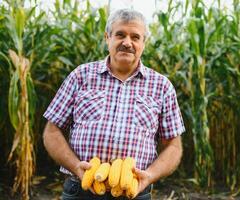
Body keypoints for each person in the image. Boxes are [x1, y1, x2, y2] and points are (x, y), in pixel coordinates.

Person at [43, 8, 185, 200]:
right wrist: (76, 166)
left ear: (144, 43)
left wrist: (150, 175)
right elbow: (52, 131)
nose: (127, 43)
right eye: (120, 35)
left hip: (133, 192)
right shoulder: (81, 76)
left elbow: (174, 147)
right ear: (107, 37)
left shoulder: (161, 86)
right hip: (80, 191)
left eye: (135, 37)